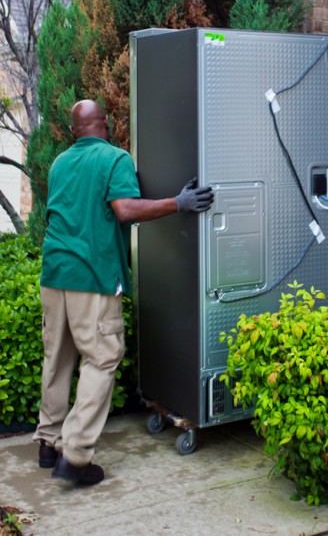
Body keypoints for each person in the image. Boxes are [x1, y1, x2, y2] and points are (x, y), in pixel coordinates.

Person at [33, 99, 214, 486]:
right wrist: (178, 203)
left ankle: (48, 442)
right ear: (107, 124)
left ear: (72, 132)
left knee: (58, 358)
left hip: (54, 274)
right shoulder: (115, 159)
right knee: (102, 358)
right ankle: (76, 455)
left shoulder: (59, 163)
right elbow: (126, 210)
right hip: (91, 276)